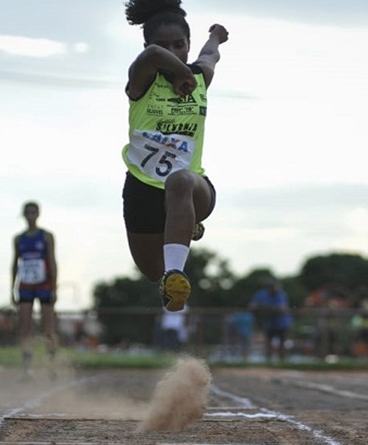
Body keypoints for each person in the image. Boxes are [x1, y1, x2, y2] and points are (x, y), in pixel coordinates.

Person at [121, 0, 228, 312]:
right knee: (152, 271)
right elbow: (154, 58)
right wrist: (181, 71)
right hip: (142, 190)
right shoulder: (142, 80)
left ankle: (177, 274)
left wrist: (216, 37)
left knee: (179, 180)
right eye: (163, 46)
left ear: (188, 44)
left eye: (179, 45)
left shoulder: (200, 79)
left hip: (193, 189)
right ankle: (179, 235)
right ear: (147, 46)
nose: (171, 52)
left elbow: (210, 55)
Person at [11, 201, 58, 378]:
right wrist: (13, 288)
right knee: (25, 329)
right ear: (24, 215)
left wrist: (54, 286)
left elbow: (53, 261)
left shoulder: (46, 236)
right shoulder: (18, 239)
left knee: (48, 328)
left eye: (34, 212)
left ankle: (51, 366)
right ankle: (27, 369)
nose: (31, 215)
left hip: (44, 285)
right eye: (28, 212)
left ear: (38, 214)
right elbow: (15, 264)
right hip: (25, 286)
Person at [249, 279, 293, 362]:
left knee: (282, 344)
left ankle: (282, 362)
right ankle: (268, 362)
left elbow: (282, 309)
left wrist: (265, 308)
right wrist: (268, 308)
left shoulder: (281, 294)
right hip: (269, 323)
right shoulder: (262, 294)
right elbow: (252, 306)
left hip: (282, 323)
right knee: (268, 344)